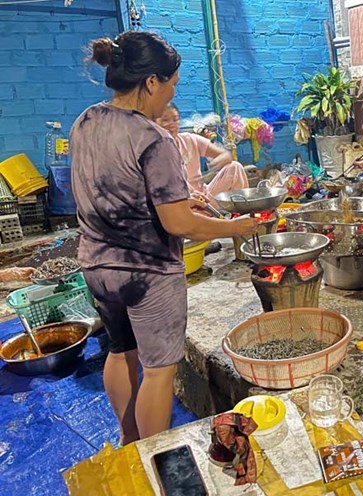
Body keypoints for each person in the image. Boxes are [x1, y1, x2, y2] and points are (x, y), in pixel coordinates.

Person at [71, 31, 260, 444]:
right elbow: (178, 224)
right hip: (147, 273)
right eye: (171, 84)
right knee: (158, 372)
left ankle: (129, 442)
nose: (171, 95)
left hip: (97, 266)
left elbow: (108, 191)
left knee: (121, 351)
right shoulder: (152, 138)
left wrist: (176, 207)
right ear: (151, 82)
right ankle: (154, 460)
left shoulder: (86, 121)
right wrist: (235, 228)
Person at [156, 102, 248, 202]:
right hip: (182, 203)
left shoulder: (189, 139)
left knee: (235, 167)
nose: (172, 124)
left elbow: (226, 155)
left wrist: (214, 167)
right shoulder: (153, 151)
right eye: (165, 120)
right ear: (154, 123)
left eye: (175, 119)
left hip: (204, 196)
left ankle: (241, 209)